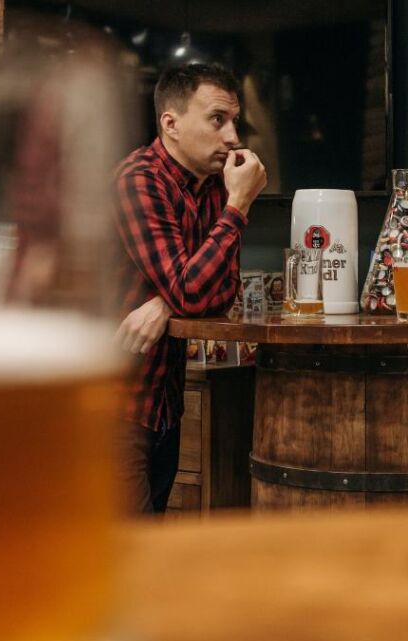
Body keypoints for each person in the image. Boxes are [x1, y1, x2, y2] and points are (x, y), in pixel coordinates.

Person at [112, 63, 267, 514]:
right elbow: (194, 292)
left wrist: (164, 303)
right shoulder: (139, 180)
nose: (233, 137)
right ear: (171, 123)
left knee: (149, 547)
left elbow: (222, 293)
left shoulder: (211, 189)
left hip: (162, 405)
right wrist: (239, 204)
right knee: (126, 558)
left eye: (234, 121)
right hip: (112, 407)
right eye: (217, 119)